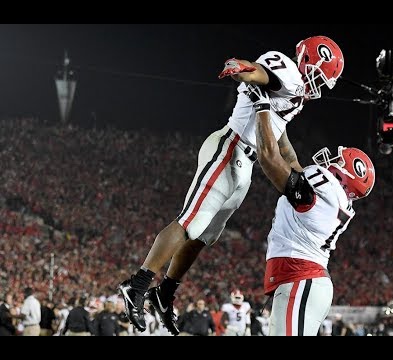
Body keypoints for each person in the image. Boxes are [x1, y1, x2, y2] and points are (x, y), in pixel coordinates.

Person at [118, 35, 345, 335]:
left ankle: (165, 292)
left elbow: (282, 144)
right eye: (319, 74)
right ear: (307, 60)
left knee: (203, 236)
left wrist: (300, 174)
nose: (319, 84)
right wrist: (241, 67)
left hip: (244, 164)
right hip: (229, 148)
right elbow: (256, 71)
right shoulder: (288, 70)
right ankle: (137, 285)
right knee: (189, 222)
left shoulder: (295, 94)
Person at [249, 85, 375, 336]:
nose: (331, 162)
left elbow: (269, 158)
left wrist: (262, 106)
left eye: (339, 162)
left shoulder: (325, 189)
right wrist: (279, 119)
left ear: (345, 176)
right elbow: (290, 159)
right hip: (304, 279)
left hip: (301, 278)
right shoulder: (329, 196)